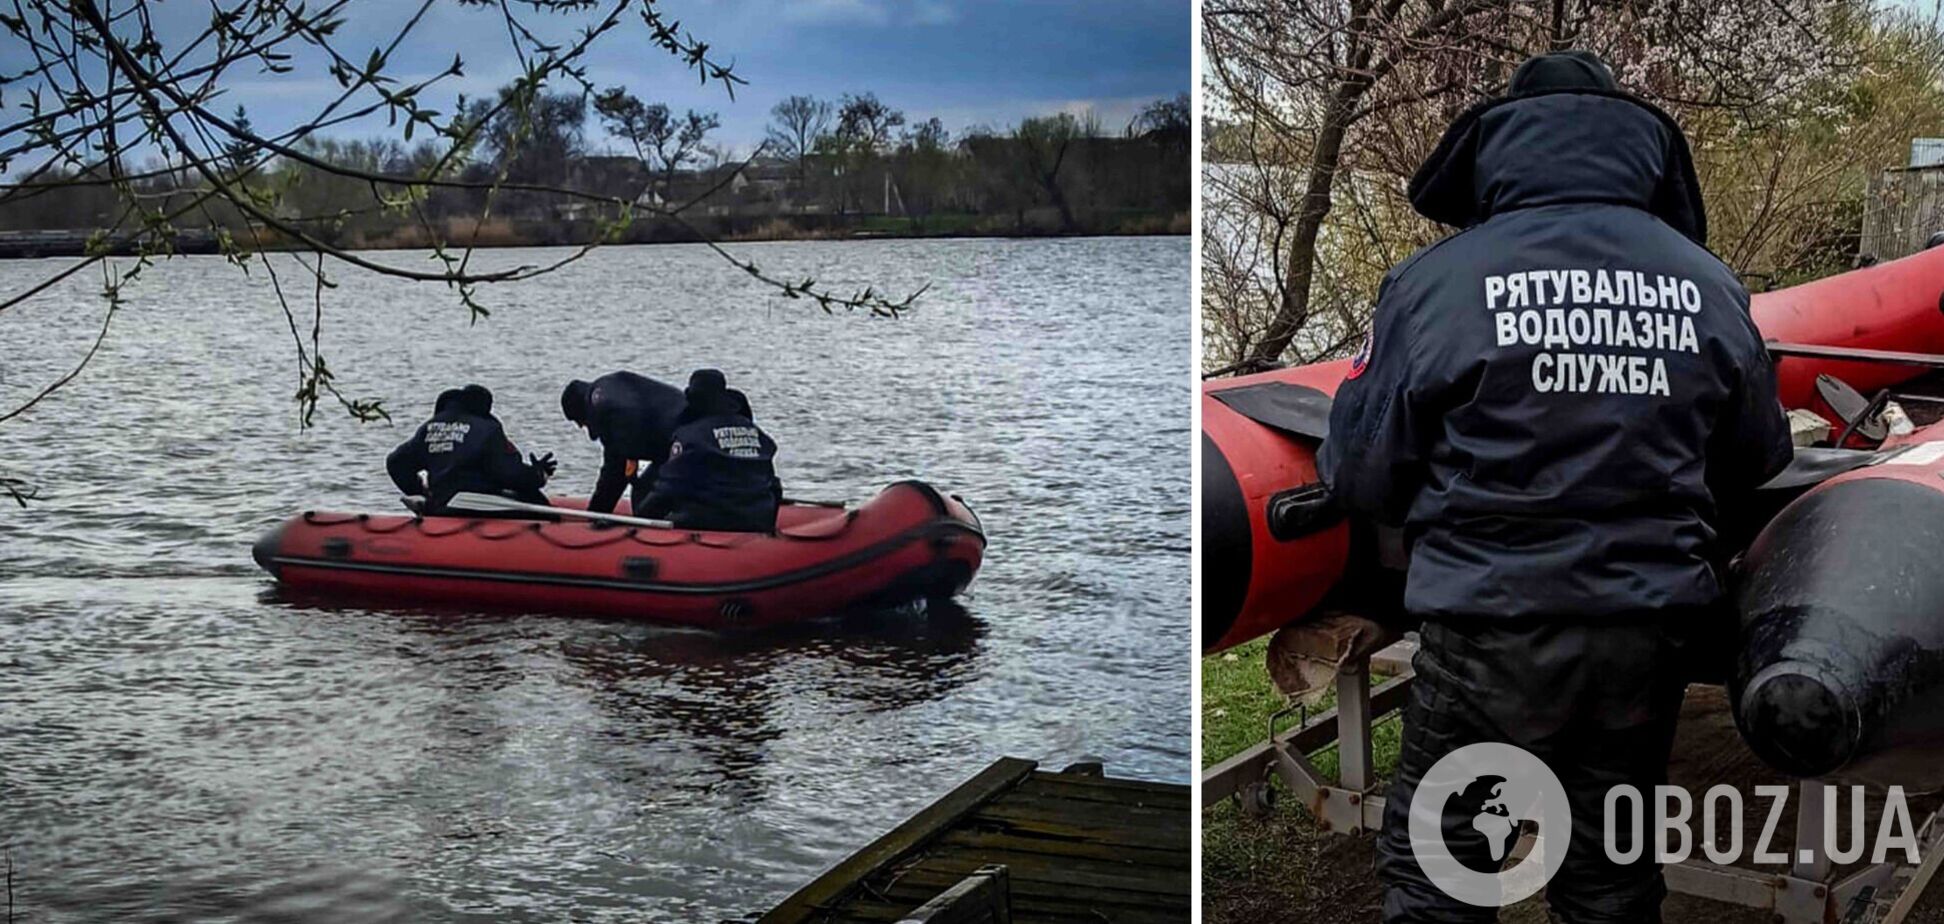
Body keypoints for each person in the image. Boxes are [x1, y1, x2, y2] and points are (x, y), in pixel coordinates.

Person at [1317, 51, 1793, 923]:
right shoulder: (1710, 285)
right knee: (1610, 879)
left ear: (1500, 151)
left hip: (1487, 634)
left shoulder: (1436, 285)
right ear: (1637, 151)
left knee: (1446, 874)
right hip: (1645, 636)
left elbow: (1364, 472)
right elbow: (1758, 457)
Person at [637, 369, 780, 532]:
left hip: (711, 520)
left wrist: (639, 521)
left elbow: (668, 488)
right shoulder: (756, 433)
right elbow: (773, 484)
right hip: (758, 518)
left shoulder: (690, 437)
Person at [387, 383, 555, 514]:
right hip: (478, 504)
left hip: (442, 503)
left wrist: (421, 492)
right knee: (545, 510)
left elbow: (396, 462)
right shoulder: (488, 429)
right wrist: (538, 474)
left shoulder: (430, 428)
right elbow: (509, 474)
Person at [559, 371, 686, 514]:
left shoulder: (605, 410)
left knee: (644, 501)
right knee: (644, 492)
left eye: (579, 422)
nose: (582, 427)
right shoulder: (609, 388)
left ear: (581, 412)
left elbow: (615, 471)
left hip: (683, 445)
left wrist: (596, 513)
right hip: (684, 435)